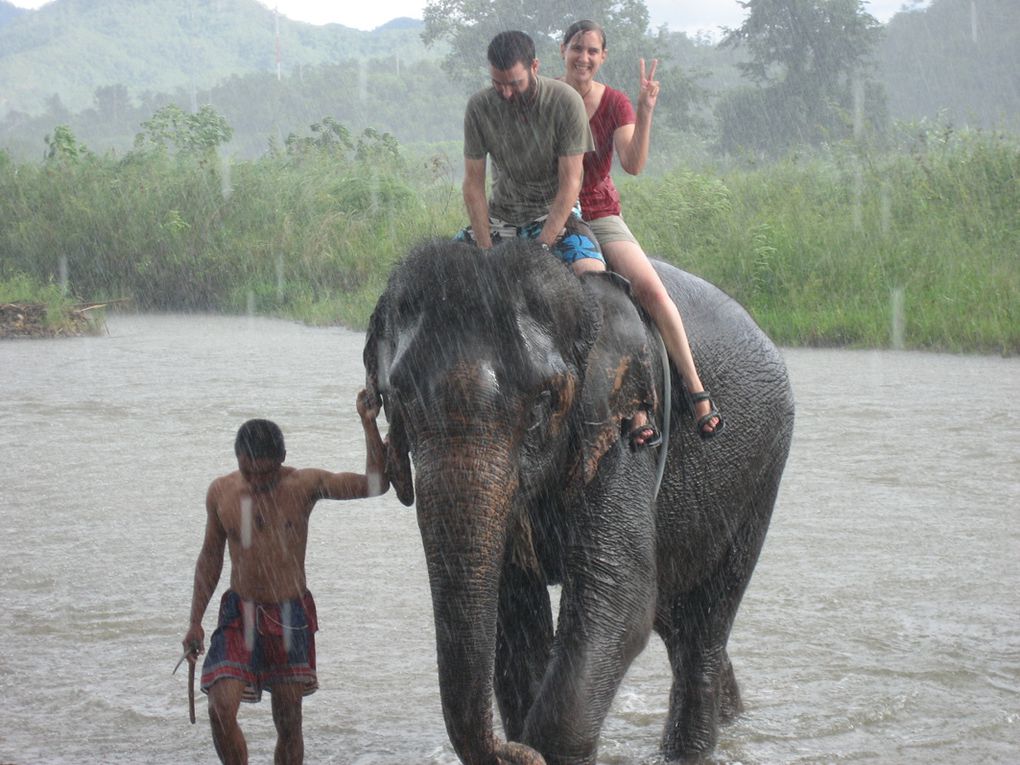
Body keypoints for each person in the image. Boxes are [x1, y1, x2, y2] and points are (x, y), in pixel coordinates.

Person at [181, 390, 388, 765]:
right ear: (238, 460)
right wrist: (195, 621)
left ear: (282, 460)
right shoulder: (222, 493)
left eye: (266, 472)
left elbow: (376, 485)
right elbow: (210, 558)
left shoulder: (304, 485)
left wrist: (368, 424)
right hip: (238, 613)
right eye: (249, 471)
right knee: (220, 708)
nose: (258, 481)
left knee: (289, 722)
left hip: (290, 614)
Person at [560, 19, 724, 440]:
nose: (584, 57)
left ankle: (692, 388)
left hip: (599, 212)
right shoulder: (548, 97)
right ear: (563, 51)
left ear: (603, 57)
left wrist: (645, 109)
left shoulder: (614, 103)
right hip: (554, 215)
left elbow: (633, 164)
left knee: (648, 290)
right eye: (577, 48)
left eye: (592, 51)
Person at [458, 29, 605, 275]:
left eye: (515, 84)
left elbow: (571, 182)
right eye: (497, 83)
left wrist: (543, 246)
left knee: (592, 276)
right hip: (500, 218)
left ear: (534, 66)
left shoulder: (565, 102)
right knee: (437, 277)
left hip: (553, 216)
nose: (506, 93)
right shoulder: (478, 107)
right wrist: (485, 250)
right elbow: (473, 184)